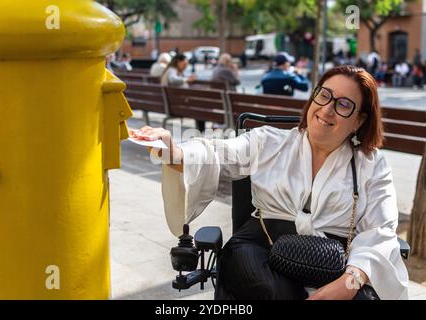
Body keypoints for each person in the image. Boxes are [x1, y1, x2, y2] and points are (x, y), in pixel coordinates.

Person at [133, 65, 409, 300]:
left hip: (332, 259)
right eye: (324, 95)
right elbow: (215, 153)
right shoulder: (269, 141)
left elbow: (381, 231)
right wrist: (173, 150)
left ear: (359, 121)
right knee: (269, 289)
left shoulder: (372, 165)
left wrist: (350, 281)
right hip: (259, 244)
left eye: (344, 104)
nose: (327, 109)